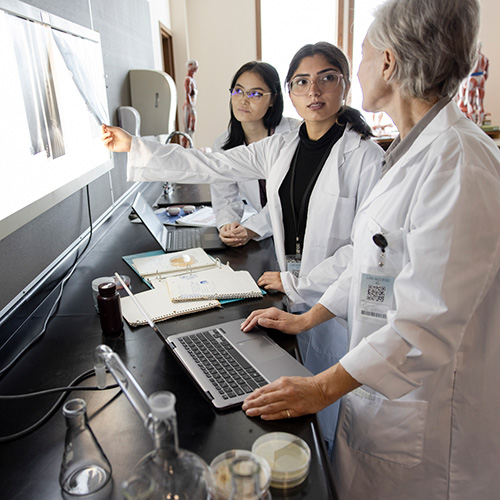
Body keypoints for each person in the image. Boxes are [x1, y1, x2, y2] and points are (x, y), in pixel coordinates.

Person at [239, 0, 500, 498]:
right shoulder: (413, 152)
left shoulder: (458, 164)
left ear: (387, 62)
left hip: (429, 426)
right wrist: (306, 317)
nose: (354, 71)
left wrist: (320, 387)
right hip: (388, 399)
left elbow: (426, 324)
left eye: (358, 55)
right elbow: (370, 259)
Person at [102, 42, 383, 451]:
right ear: (291, 91)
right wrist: (137, 146)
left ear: (344, 86)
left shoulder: (365, 157)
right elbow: (212, 163)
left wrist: (296, 280)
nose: (314, 91)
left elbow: (364, 250)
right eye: (302, 81)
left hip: (337, 303)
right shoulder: (282, 146)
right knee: (301, 395)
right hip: (294, 289)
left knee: (333, 402)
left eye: (327, 78)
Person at [211, 61, 299, 247]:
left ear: (273, 99)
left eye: (255, 94)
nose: (243, 100)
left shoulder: (295, 135)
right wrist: (228, 226)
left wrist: (251, 229)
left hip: (301, 232)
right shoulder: (222, 143)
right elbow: (225, 197)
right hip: (267, 237)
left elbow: (288, 200)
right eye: (238, 91)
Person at [182, 60, 198, 148]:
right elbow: (187, 94)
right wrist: (191, 107)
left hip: (192, 106)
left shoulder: (192, 80)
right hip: (189, 106)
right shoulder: (188, 80)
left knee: (192, 128)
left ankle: (189, 147)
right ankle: (184, 148)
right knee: (187, 130)